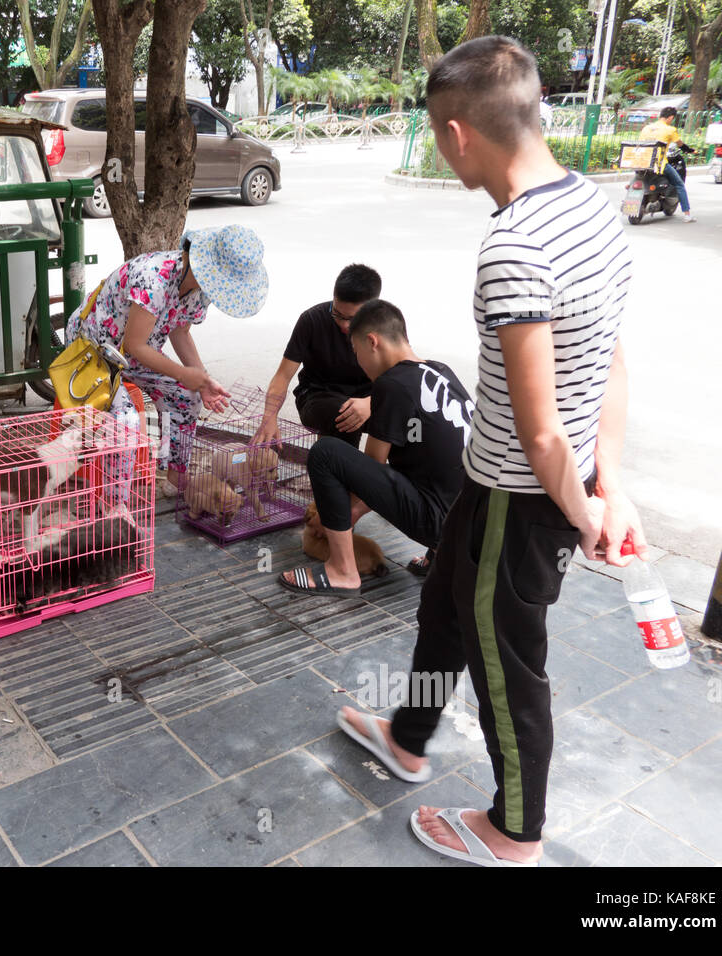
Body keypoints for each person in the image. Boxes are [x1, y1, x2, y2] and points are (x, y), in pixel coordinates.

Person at [337, 36, 646, 867]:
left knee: (507, 663)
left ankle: (516, 830)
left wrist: (586, 513)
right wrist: (609, 483)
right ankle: (407, 739)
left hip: (525, 494)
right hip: (503, 480)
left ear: (455, 135)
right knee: (442, 605)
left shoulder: (514, 245)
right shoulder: (594, 207)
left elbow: (543, 429)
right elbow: (609, 359)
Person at [277, 299, 474, 595]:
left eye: (356, 353)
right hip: (473, 523)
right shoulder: (440, 371)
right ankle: (441, 556)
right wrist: (350, 512)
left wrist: (337, 514)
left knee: (325, 453)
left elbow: (370, 471)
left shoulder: (392, 384)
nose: (359, 364)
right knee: (428, 463)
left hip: (441, 522)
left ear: (372, 342)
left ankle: (342, 571)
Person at [65, 224, 267, 495]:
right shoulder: (155, 277)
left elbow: (180, 330)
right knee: (126, 419)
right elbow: (135, 345)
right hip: (94, 350)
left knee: (187, 397)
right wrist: (185, 374)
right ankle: (115, 503)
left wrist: (202, 378)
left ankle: (175, 480)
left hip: (136, 354)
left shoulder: (199, 288)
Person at [254, 264, 382, 448]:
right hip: (318, 396)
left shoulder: (386, 324)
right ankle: (339, 472)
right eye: (337, 314)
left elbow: (401, 377)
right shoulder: (312, 320)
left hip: (369, 398)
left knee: (413, 418)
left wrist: (371, 403)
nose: (344, 326)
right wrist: (269, 417)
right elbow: (282, 376)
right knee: (345, 414)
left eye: (353, 319)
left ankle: (385, 472)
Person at [639, 107, 696, 222]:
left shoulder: (647, 128)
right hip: (659, 163)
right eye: (672, 118)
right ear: (670, 117)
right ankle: (687, 214)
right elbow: (680, 144)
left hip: (642, 162)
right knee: (679, 184)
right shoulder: (670, 130)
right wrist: (690, 150)